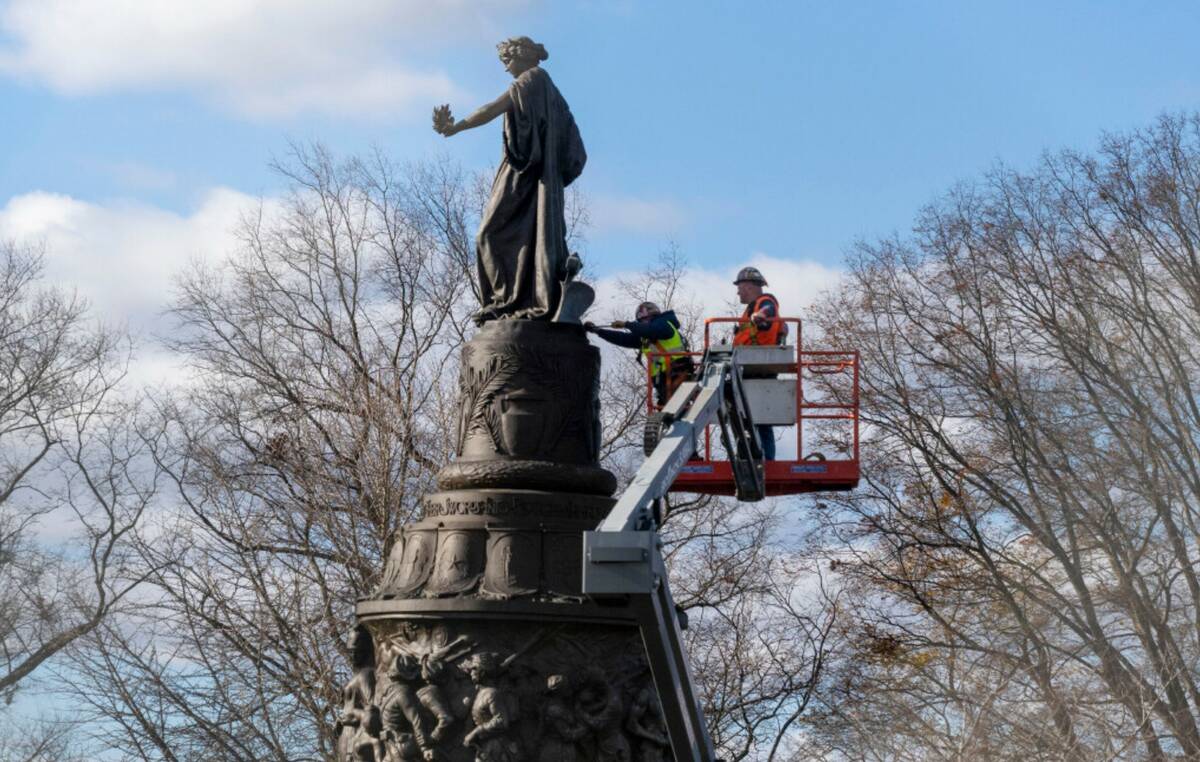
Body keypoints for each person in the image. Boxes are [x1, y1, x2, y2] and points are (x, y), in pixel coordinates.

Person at [433, 36, 586, 324]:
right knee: (518, 237)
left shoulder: (533, 80)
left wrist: (456, 127)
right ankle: (510, 301)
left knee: (487, 234)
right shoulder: (545, 87)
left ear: (524, 56)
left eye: (507, 60)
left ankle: (504, 300)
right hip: (527, 172)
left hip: (526, 173)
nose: (505, 69)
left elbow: (493, 108)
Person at [586, 302, 694, 406]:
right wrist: (598, 331)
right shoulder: (646, 337)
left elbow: (651, 330)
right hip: (664, 379)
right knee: (671, 411)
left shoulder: (664, 324)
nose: (642, 324)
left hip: (678, 371)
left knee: (675, 407)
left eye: (643, 321)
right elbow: (622, 339)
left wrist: (627, 324)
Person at [733, 266, 787, 460]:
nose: (738, 291)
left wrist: (761, 316)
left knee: (760, 419)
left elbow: (768, 311)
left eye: (739, 286)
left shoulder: (765, 302)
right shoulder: (749, 310)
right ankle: (752, 456)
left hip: (758, 366)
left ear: (748, 286)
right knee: (752, 418)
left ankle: (764, 460)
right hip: (749, 365)